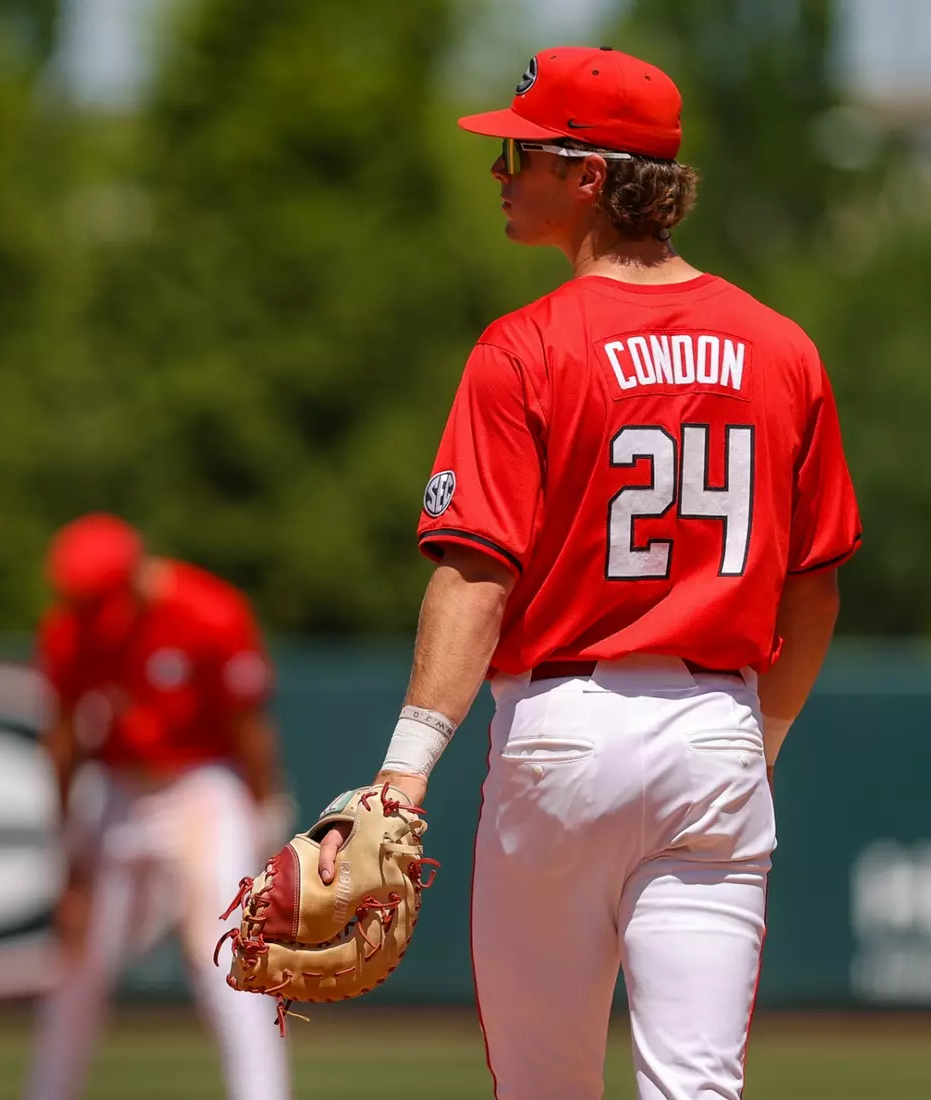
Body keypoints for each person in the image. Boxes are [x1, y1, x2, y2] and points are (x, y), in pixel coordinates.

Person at [315, 46, 861, 1100]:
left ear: (593, 176)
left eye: (522, 150)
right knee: (696, 1087)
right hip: (718, 728)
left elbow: (477, 576)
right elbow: (817, 584)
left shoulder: (525, 347)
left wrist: (403, 769)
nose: (499, 169)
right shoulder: (781, 348)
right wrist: (761, 737)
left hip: (562, 727)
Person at [25, 513, 294, 1100]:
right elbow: (64, 739)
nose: (87, 610)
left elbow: (248, 725)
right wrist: (68, 849)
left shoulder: (209, 611)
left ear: (133, 577)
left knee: (227, 956)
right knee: (76, 963)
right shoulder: (73, 628)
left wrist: (264, 809)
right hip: (120, 787)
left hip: (202, 782)